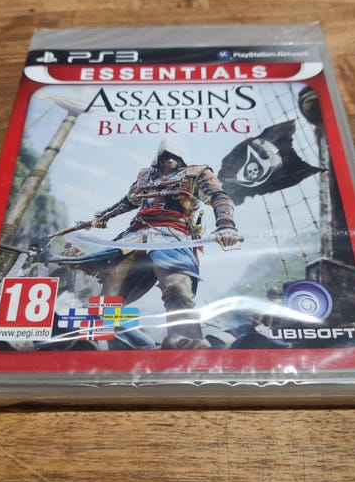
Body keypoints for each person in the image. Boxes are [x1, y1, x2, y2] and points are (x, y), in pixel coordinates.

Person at [59, 137, 241, 349]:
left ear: (182, 157)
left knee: (177, 287)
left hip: (173, 237)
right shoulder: (147, 176)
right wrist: (103, 217)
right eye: (166, 156)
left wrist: (226, 224)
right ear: (159, 157)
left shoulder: (197, 174)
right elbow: (129, 201)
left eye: (174, 156)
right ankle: (95, 340)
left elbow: (219, 197)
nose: (170, 160)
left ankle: (184, 341)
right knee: (112, 286)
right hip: (137, 235)